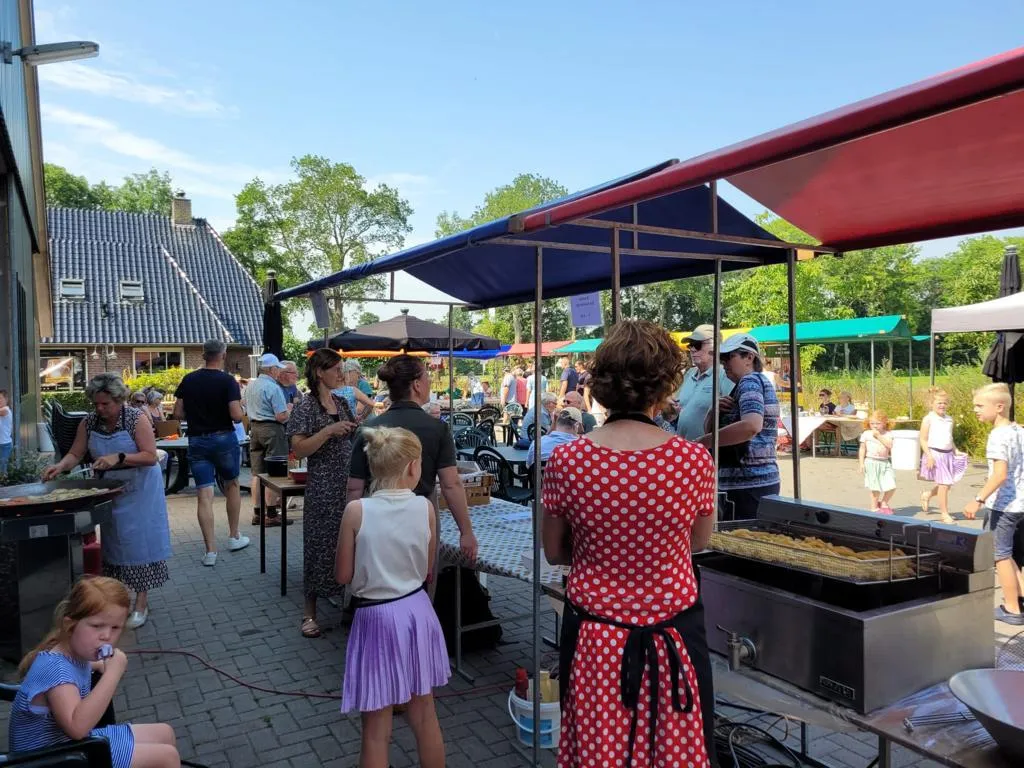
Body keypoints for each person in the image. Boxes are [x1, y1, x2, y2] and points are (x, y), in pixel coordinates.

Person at [542, 319, 716, 768]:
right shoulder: (694, 459)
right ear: (665, 385)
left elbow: (555, 551)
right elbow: (699, 543)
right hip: (674, 636)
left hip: (596, 641)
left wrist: (601, 547)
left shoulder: (567, 458)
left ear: (601, 384)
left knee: (598, 753)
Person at [337, 427, 449, 768]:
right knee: (425, 715)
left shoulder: (356, 511)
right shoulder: (425, 508)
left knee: (375, 727)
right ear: (413, 466)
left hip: (375, 616)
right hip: (417, 610)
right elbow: (427, 569)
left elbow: (342, 575)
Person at [44, 374, 171, 629]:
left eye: (106, 404)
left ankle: (141, 603)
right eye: (96, 404)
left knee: (139, 544)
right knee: (115, 544)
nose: (100, 409)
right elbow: (76, 453)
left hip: (141, 490)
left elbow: (149, 456)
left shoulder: (136, 418)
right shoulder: (89, 422)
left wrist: (119, 457)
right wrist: (61, 466)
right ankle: (119, 600)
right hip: (111, 490)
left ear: (119, 400)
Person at [11, 577, 180, 767]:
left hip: (68, 747)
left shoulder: (73, 655)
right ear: (70, 625)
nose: (106, 636)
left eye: (115, 627)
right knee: (167, 757)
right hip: (50, 759)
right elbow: (77, 728)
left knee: (165, 733)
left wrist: (98, 665)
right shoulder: (57, 673)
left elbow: (79, 669)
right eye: (97, 626)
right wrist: (112, 674)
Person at [348, 355, 478, 563]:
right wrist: (466, 532)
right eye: (427, 377)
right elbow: (451, 484)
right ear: (417, 385)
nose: (430, 382)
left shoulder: (368, 429)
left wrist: (351, 529)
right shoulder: (437, 428)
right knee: (421, 577)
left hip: (374, 519)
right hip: (421, 518)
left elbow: (354, 487)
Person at [287, 349, 358, 639]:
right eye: (336, 369)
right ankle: (309, 612)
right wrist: (329, 431)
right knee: (318, 545)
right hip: (322, 487)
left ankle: (349, 603)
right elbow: (299, 450)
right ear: (319, 372)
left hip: (348, 485)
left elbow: (353, 436)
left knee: (348, 544)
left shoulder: (342, 402)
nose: (342, 374)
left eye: (342, 369)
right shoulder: (305, 406)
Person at [172, 340, 249, 566]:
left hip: (197, 439)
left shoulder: (188, 379)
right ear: (223, 355)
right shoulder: (227, 381)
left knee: (204, 494)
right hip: (223, 438)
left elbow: (177, 412)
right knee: (231, 485)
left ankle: (210, 551)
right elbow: (236, 415)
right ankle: (234, 536)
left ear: (203, 355)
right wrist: (242, 409)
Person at [698, 333, 780, 521]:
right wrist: (713, 412)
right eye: (722, 358)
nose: (724, 363)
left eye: (729, 357)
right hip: (754, 482)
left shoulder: (750, 381)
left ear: (749, 357)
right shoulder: (750, 384)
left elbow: (751, 425)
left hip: (747, 484)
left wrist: (702, 442)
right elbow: (713, 431)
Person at [965, 384, 1024, 624]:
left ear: (999, 407)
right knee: (1012, 555)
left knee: (1000, 556)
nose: (975, 410)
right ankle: (1020, 598)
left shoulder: (998, 436)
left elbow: (1000, 475)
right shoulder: (1018, 430)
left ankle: (1012, 609)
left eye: (980, 405)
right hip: (1021, 504)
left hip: (1004, 506)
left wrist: (977, 499)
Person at [244, 353, 292, 528]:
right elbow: (281, 416)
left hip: (254, 428)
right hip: (272, 429)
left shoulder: (251, 385)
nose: (279, 372)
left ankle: (257, 513)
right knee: (275, 472)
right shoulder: (273, 387)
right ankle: (271, 514)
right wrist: (290, 410)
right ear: (271, 369)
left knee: (257, 473)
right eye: (277, 368)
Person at [676, 324, 734, 441]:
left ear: (714, 345)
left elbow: (732, 415)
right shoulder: (689, 373)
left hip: (708, 449)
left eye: (697, 345)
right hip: (683, 448)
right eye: (690, 345)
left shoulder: (724, 374)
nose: (692, 349)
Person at [919, 387, 969, 525]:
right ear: (932, 404)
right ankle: (944, 514)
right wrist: (929, 456)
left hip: (948, 455)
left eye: (945, 403)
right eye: (939, 403)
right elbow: (923, 439)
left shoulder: (949, 419)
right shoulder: (928, 419)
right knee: (944, 485)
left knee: (947, 484)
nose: (942, 405)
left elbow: (949, 438)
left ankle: (928, 494)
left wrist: (956, 450)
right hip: (935, 454)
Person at [859, 410, 896, 514]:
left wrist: (879, 436)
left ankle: (884, 502)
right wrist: (861, 463)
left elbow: (890, 445)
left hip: (884, 462)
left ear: (884, 423)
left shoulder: (888, 434)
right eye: (872, 423)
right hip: (871, 461)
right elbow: (862, 449)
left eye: (878, 423)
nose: (875, 426)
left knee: (892, 485)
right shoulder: (866, 434)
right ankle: (874, 507)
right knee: (875, 487)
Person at [0, 388, 12, 475]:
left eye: (0, 398)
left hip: (5, 445)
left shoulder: (6, 409)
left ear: (6, 399)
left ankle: (4, 482)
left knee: (2, 469)